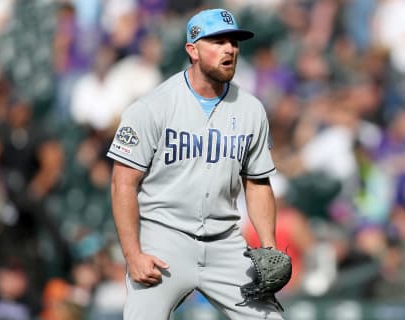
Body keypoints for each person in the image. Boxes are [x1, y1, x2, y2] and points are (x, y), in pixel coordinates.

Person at [107, 8, 283, 320]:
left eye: (233, 42)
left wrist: (268, 247)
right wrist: (132, 254)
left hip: (224, 241)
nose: (229, 49)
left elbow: (257, 183)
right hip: (164, 238)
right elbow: (123, 182)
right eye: (217, 41)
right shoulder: (152, 107)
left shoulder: (251, 110)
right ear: (193, 50)